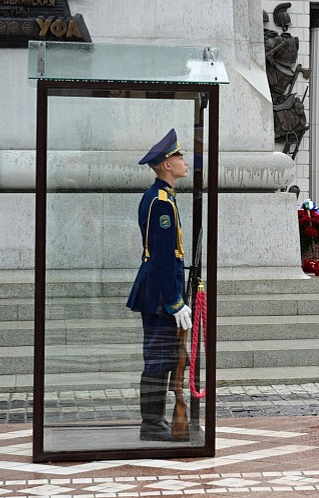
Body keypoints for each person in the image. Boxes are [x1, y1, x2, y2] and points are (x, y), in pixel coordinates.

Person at [127, 129, 193, 442]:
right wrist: (174, 301)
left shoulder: (164, 197)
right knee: (157, 358)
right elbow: (164, 257)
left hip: (160, 291)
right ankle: (151, 425)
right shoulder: (160, 202)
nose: (184, 161)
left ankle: (156, 421)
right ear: (166, 164)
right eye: (179, 157)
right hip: (157, 293)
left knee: (166, 357)